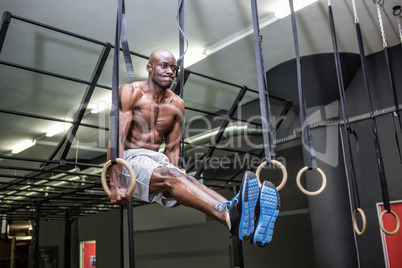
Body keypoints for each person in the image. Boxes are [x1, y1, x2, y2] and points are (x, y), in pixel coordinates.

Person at [106, 49, 280, 247]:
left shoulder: (177, 103)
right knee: (175, 177)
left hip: (157, 162)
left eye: (174, 68)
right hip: (129, 161)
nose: (171, 71)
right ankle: (231, 216)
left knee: (187, 178)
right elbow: (116, 139)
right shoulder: (131, 92)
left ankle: (245, 218)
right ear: (149, 67)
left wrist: (175, 187)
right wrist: (115, 184)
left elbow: (172, 149)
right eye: (164, 66)